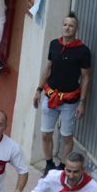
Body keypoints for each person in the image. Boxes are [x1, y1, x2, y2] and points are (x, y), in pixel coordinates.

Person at [34, 11, 90, 171]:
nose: (67, 28)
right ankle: (49, 164)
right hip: (50, 97)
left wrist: (82, 103)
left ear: (76, 29)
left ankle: (63, 167)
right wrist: (38, 90)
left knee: (66, 136)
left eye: (71, 26)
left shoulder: (83, 51)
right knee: (45, 134)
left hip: (70, 102)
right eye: (65, 24)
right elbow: (48, 68)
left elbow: (86, 77)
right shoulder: (54, 44)